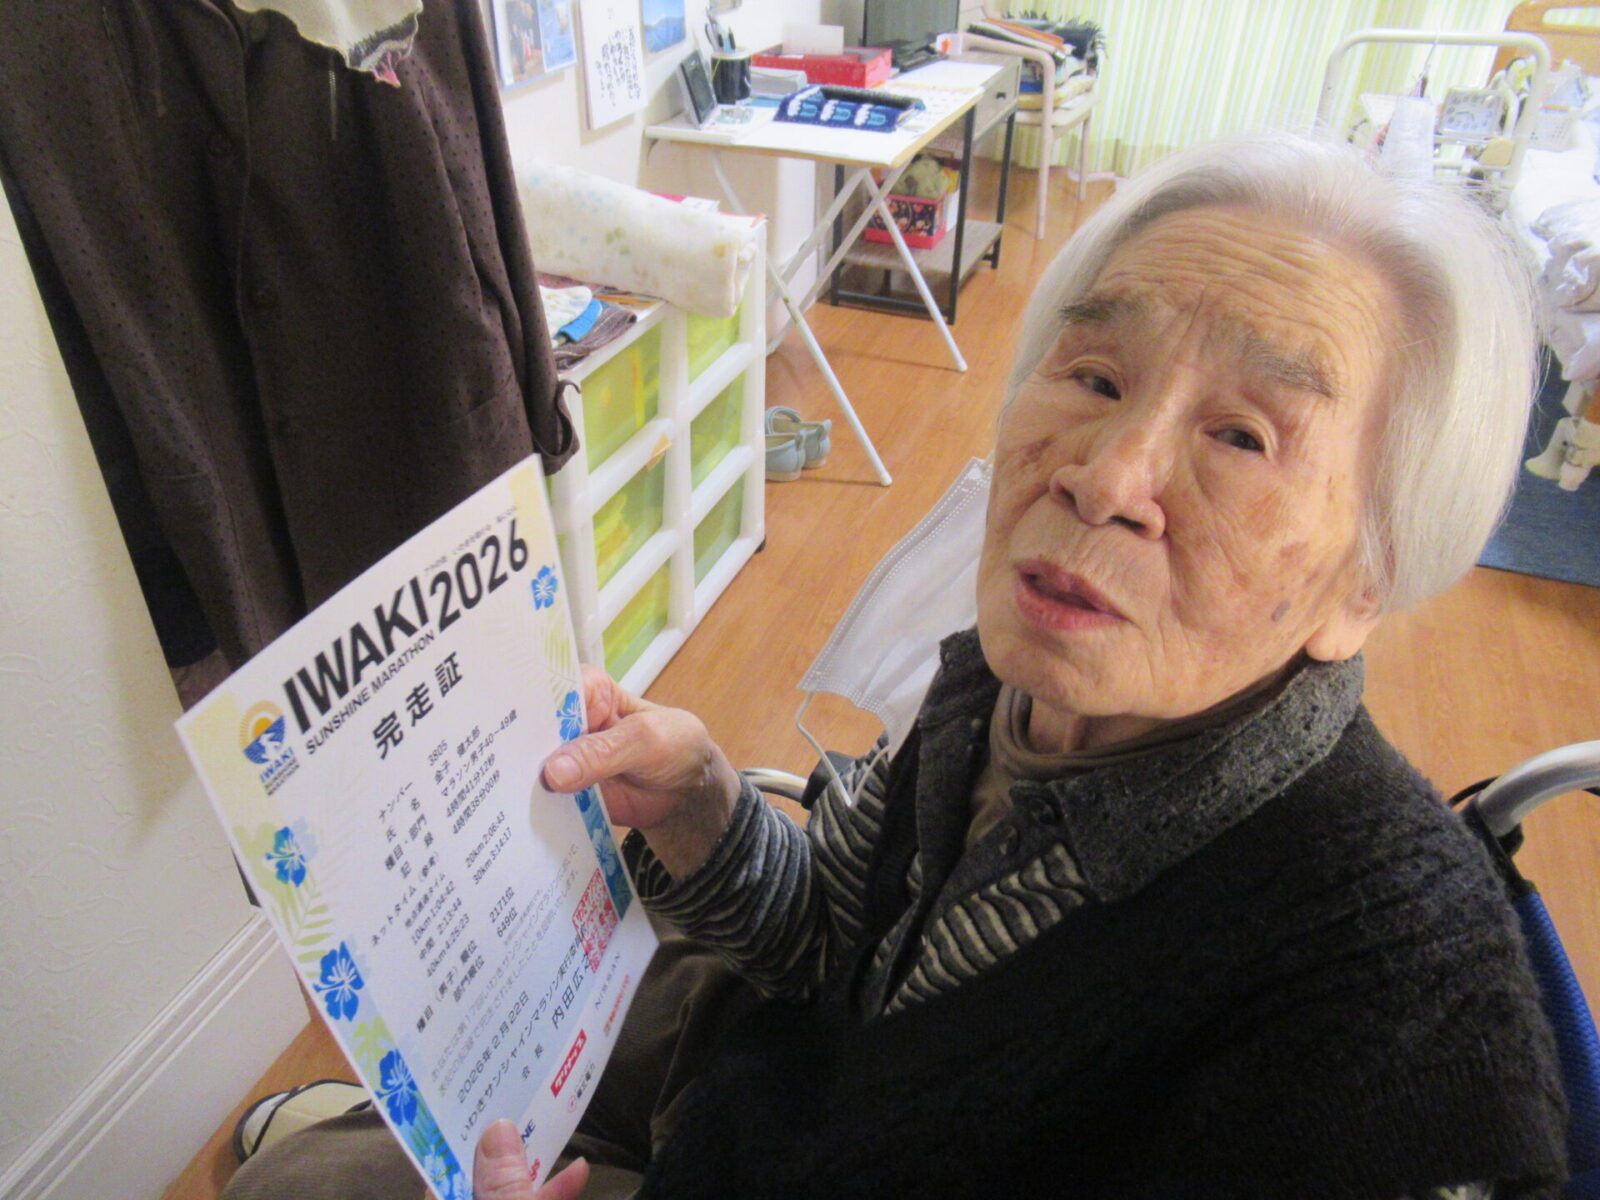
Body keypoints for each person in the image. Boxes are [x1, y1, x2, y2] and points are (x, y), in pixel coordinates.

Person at [225, 132, 1568, 1200]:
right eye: (1096, 377)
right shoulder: (1010, 684)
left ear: (1363, 583)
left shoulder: (1386, 1039)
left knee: (295, 1186)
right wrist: (704, 807)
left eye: (1243, 438)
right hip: (765, 1090)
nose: (1105, 476)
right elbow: (840, 949)